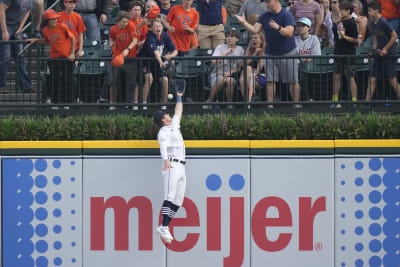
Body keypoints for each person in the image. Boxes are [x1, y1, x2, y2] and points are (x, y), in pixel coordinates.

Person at [235, 0, 299, 108]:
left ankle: (297, 104)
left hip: (288, 52)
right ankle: (270, 105)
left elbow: (289, 33)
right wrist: (244, 23)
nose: (266, 4)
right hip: (270, 53)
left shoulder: (286, 15)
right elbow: (255, 29)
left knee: (292, 80)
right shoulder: (264, 16)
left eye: (268, 1)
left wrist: (278, 28)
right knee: (270, 80)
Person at [154, 89, 186, 244]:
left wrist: (179, 96)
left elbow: (178, 111)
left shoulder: (174, 125)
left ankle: (165, 226)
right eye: (165, 114)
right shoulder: (163, 131)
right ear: (162, 119)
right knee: (169, 196)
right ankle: (164, 226)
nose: (168, 114)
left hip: (181, 166)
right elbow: (163, 146)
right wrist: (165, 160)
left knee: (178, 201)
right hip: (172, 164)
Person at [28, 9, 76, 105]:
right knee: (55, 82)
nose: (55, 20)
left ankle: (68, 103)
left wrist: (72, 53)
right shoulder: (45, 30)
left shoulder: (62, 27)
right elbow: (47, 40)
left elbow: (73, 38)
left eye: (56, 18)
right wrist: (36, 40)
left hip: (67, 58)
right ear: (47, 21)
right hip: (54, 58)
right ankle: (55, 103)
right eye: (52, 19)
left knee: (68, 82)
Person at [138, 18, 178, 109]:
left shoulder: (165, 36)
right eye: (156, 26)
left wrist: (171, 56)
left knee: (165, 80)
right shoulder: (150, 37)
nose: (158, 28)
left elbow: (175, 51)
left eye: (159, 26)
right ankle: (144, 102)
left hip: (158, 64)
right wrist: (161, 62)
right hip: (146, 62)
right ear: (151, 28)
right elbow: (155, 52)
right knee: (149, 78)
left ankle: (164, 104)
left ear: (162, 27)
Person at [365, 1, 400, 101]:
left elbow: (394, 36)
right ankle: (366, 103)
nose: (368, 13)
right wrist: (373, 50)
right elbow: (376, 37)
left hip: (389, 55)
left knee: (392, 80)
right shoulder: (373, 23)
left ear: (376, 11)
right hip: (379, 55)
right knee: (372, 78)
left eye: (370, 11)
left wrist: (385, 49)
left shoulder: (383, 22)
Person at [203, 29, 244, 109]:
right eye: (227, 37)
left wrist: (231, 72)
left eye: (232, 37)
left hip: (232, 76)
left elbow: (240, 67)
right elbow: (214, 61)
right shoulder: (220, 47)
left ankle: (229, 104)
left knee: (230, 80)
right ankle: (209, 101)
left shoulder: (240, 49)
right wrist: (226, 53)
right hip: (217, 74)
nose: (229, 38)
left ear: (237, 39)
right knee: (222, 79)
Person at [0, 0, 33, 93]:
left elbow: (28, 11)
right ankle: (1, 85)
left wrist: (20, 28)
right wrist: (4, 30)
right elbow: (1, 9)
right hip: (5, 26)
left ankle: (26, 86)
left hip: (17, 27)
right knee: (5, 57)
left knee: (20, 56)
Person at [109, 11, 138, 110]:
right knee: (114, 80)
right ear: (118, 21)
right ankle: (112, 103)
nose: (126, 23)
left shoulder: (130, 26)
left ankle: (130, 103)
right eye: (124, 22)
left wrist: (128, 49)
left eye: (127, 21)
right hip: (117, 57)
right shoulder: (113, 29)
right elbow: (111, 38)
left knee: (131, 82)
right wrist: (111, 43)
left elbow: (135, 40)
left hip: (130, 57)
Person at [331, 1, 358, 108]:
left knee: (350, 77)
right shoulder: (340, 21)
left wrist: (344, 36)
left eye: (342, 9)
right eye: (340, 9)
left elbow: (355, 40)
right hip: (338, 53)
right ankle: (335, 100)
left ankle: (354, 102)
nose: (340, 10)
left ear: (348, 11)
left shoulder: (352, 22)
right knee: (336, 76)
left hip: (348, 54)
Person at [239, 33, 265, 103]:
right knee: (248, 68)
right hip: (248, 74)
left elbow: (261, 64)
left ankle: (247, 102)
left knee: (242, 79)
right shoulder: (249, 50)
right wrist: (254, 54)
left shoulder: (264, 50)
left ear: (261, 41)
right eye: (252, 38)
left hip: (259, 76)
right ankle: (252, 96)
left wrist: (256, 74)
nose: (253, 39)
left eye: (256, 38)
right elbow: (243, 64)